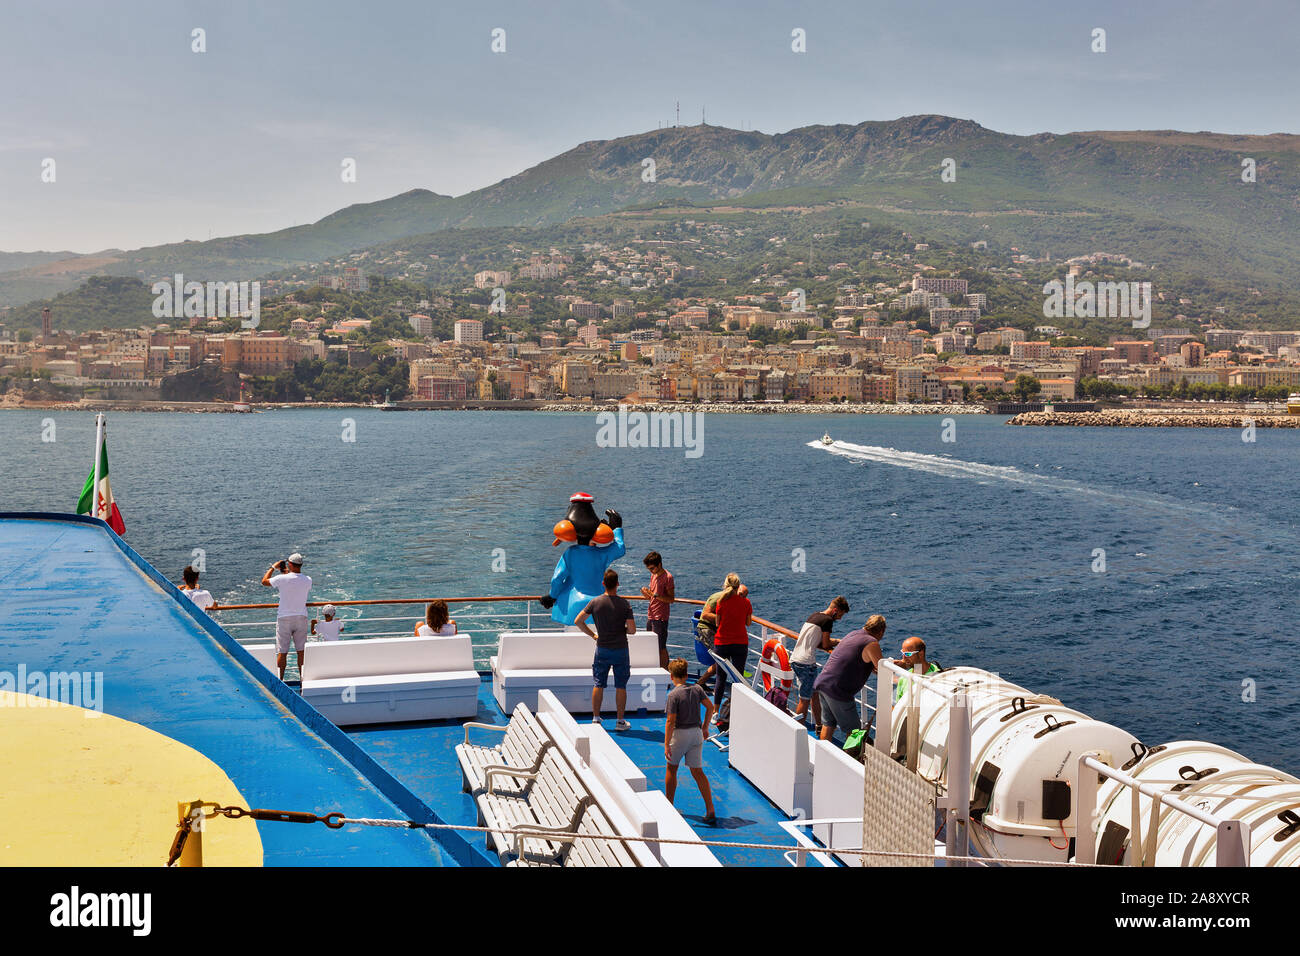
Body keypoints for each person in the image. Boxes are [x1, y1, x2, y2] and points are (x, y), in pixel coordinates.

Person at [575, 568, 636, 731]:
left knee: (598, 683)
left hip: (602, 648)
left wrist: (593, 635)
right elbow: (632, 630)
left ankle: (595, 718)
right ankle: (620, 721)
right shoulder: (625, 604)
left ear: (603, 584)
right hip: (621, 649)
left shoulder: (595, 602)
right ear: (617, 584)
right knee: (621, 685)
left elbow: (578, 621)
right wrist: (622, 627)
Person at [814, 614, 886, 743]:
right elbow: (882, 669)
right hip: (838, 691)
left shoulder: (853, 634)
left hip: (823, 683)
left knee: (828, 725)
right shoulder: (871, 642)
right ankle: (851, 759)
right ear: (881, 631)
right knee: (854, 732)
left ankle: (822, 757)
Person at [664, 658, 717, 826]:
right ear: (686, 675)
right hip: (696, 734)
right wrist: (705, 727)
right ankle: (710, 809)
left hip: (680, 735)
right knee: (698, 772)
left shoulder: (673, 695)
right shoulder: (697, 688)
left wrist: (666, 743)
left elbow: (671, 721)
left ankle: (669, 806)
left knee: (672, 769)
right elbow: (710, 707)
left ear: (672, 676)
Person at [790, 596, 850, 729]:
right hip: (806, 663)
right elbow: (826, 643)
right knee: (805, 699)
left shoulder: (815, 616)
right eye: (840, 614)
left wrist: (834, 641)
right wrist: (839, 642)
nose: (839, 618)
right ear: (835, 610)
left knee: (814, 694)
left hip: (796, 658)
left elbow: (817, 640)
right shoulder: (827, 620)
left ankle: (819, 726)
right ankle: (797, 730)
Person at [260, 552, 313, 680]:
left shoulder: (282, 579)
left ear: (289, 564)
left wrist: (273, 567)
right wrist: (286, 571)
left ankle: (280, 682)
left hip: (284, 619)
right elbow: (293, 580)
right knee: (301, 652)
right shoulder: (308, 580)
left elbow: (264, 581)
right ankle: (302, 681)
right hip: (301, 617)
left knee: (282, 652)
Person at [711, 573, 753, 715]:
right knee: (738, 678)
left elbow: (717, 622)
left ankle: (716, 712)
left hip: (722, 642)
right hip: (740, 642)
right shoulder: (746, 603)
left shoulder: (721, 602)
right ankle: (736, 711)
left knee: (720, 677)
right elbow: (748, 623)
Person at [640, 551, 674, 669]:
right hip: (651, 615)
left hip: (660, 617)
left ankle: (665, 672)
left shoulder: (668, 577)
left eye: (652, 568)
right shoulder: (653, 575)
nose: (650, 571)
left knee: (661, 647)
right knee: (651, 645)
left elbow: (671, 599)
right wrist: (646, 594)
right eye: (649, 569)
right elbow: (651, 595)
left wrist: (654, 595)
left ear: (659, 564)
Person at [892, 636, 941, 702]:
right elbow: (898, 706)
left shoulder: (938, 677)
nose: (904, 658)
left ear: (921, 653)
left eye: (908, 654)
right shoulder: (903, 678)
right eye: (902, 653)